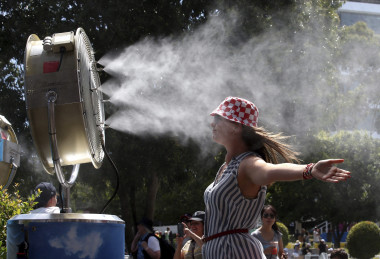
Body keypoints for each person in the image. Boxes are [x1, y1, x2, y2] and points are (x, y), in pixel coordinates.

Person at [203, 97, 351, 258]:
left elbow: (269, 171)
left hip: (235, 251)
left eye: (218, 119)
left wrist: (309, 169)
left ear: (236, 127)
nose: (212, 123)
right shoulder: (226, 167)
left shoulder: (248, 163)